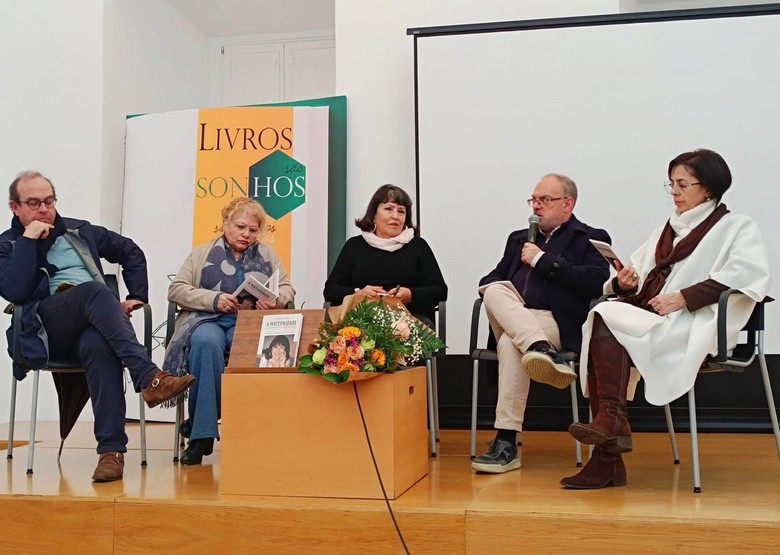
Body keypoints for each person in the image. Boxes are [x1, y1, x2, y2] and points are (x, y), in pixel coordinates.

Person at [561, 149, 770, 489]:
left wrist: (684, 297)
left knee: (605, 319)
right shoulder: (665, 230)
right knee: (603, 313)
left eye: (683, 184)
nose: (674, 192)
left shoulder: (736, 227)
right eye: (671, 184)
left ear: (708, 188)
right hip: (654, 318)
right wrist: (623, 282)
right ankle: (610, 426)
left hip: (694, 321)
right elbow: (638, 274)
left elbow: (747, 276)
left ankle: (607, 453)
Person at [0, 171, 196, 483]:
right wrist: (28, 240)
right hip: (45, 329)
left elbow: (130, 251)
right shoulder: (8, 245)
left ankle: (111, 452)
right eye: (34, 203)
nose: (44, 209)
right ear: (15, 207)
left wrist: (136, 295)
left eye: (49, 201)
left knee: (98, 343)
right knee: (95, 290)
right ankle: (148, 377)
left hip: (92, 323)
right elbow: (15, 290)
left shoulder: (79, 231)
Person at [471, 174, 611, 474]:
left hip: (553, 320)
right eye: (533, 200)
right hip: (515, 315)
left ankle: (506, 442)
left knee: (511, 344)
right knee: (493, 290)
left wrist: (542, 260)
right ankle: (540, 349)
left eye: (545, 200)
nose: (536, 206)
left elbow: (595, 281)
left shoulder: (589, 237)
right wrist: (499, 284)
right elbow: (492, 277)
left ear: (567, 204)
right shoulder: (518, 239)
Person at [164, 196, 295, 465]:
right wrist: (214, 299)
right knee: (206, 343)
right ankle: (202, 439)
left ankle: (200, 427)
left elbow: (287, 289)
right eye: (240, 227)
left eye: (253, 230)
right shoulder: (201, 253)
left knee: (245, 347)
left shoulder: (268, 255)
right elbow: (176, 290)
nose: (247, 234)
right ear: (225, 224)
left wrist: (275, 301)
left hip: (246, 324)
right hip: (206, 320)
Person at [323, 184, 447, 323]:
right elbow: (331, 291)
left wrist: (411, 294)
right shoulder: (354, 246)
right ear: (374, 215)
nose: (395, 216)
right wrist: (358, 293)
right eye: (388, 209)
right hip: (361, 321)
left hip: (411, 321)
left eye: (401, 211)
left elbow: (440, 291)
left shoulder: (418, 246)